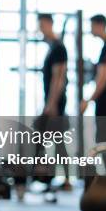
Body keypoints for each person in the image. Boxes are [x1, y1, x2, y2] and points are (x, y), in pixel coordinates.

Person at [80, 14, 106, 171]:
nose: (90, 30)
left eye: (92, 26)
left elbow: (103, 79)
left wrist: (88, 100)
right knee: (102, 138)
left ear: (99, 25)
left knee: (102, 139)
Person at [36, 13, 71, 195]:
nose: (40, 29)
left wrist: (52, 104)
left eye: (41, 25)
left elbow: (59, 78)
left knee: (55, 141)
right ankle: (61, 178)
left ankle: (65, 179)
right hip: (52, 101)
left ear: (49, 24)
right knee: (55, 141)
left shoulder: (58, 48)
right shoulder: (52, 47)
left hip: (56, 102)